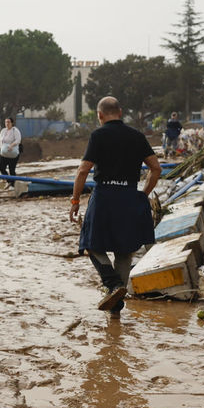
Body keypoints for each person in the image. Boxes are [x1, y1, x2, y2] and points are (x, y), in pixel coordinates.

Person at [68, 97, 161, 314]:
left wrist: (75, 200)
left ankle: (113, 284)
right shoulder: (137, 136)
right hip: (129, 196)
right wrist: (143, 194)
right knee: (124, 251)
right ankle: (116, 309)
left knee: (90, 244)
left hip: (104, 198)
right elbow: (156, 168)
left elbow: (83, 170)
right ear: (120, 112)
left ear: (100, 115)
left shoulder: (98, 135)